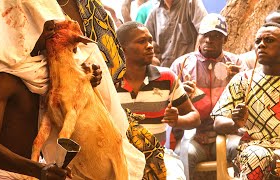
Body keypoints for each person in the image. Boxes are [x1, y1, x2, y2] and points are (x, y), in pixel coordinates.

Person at [0, 0, 146, 179]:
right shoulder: (3, 78)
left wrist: (87, 80)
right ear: (26, 29)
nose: (52, 31)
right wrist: (38, 169)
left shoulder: (47, 70)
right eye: (47, 27)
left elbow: (67, 98)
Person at [116, 21, 200, 179]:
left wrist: (178, 120)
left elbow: (194, 117)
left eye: (150, 40)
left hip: (159, 155)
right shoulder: (109, 81)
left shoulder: (166, 78)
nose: (149, 46)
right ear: (122, 48)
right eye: (142, 41)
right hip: (121, 157)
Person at [170, 13, 245, 179]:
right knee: (183, 155)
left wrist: (238, 81)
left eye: (216, 36)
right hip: (194, 136)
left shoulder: (237, 64)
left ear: (225, 40)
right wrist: (180, 94)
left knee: (244, 150)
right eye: (205, 35)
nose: (209, 40)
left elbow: (250, 102)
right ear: (199, 36)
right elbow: (168, 107)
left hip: (230, 134)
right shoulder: (181, 65)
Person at [211, 20, 280, 180]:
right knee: (256, 155)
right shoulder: (242, 80)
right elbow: (218, 122)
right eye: (258, 41)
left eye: (269, 40)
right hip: (255, 147)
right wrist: (235, 123)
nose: (261, 45)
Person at [145, 0, 207, 67]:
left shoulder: (191, 3)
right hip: (163, 71)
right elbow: (144, 40)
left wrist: (194, 62)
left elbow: (204, 30)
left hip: (187, 70)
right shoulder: (154, 12)